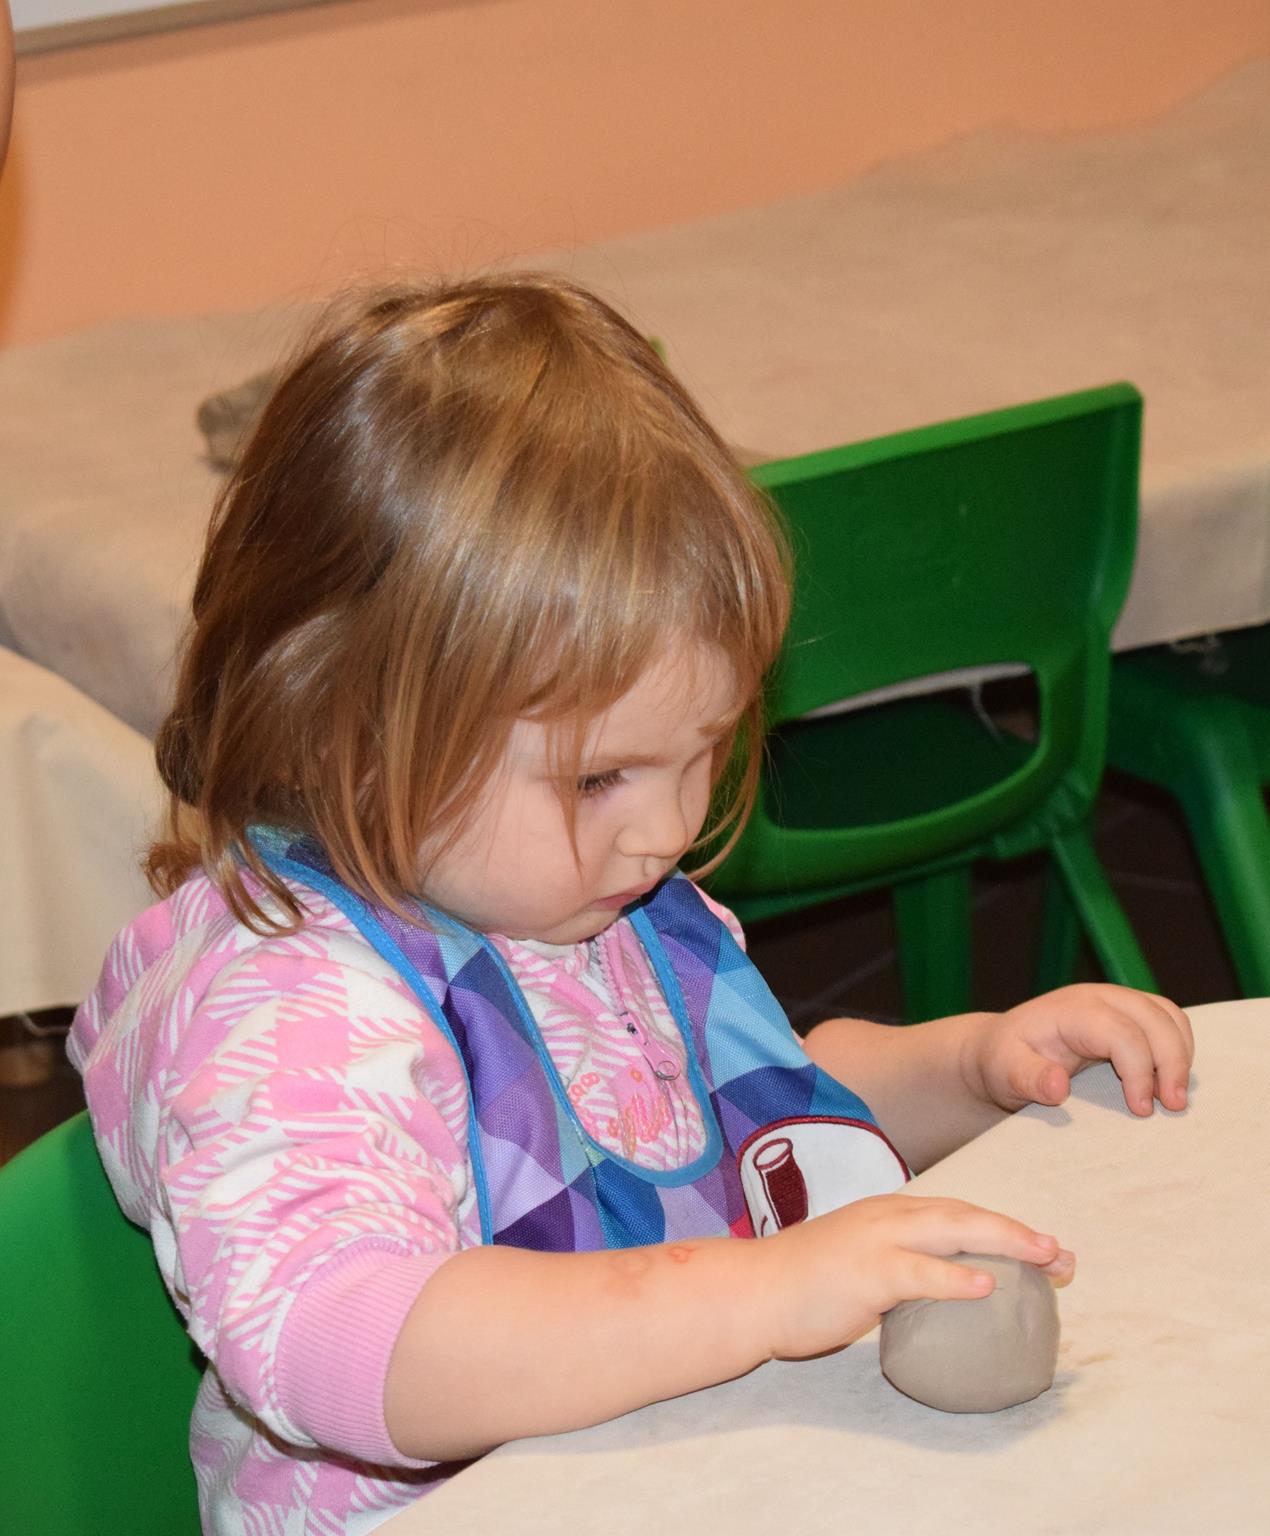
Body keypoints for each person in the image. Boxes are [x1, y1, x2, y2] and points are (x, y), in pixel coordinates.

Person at [69, 274, 1193, 1535]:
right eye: (599, 777)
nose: (666, 832)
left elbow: (741, 1127)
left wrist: (975, 1066)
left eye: (704, 748)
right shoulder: (288, 1011)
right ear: (354, 736)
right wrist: (759, 1293)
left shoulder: (589, 906)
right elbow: (340, 1346)